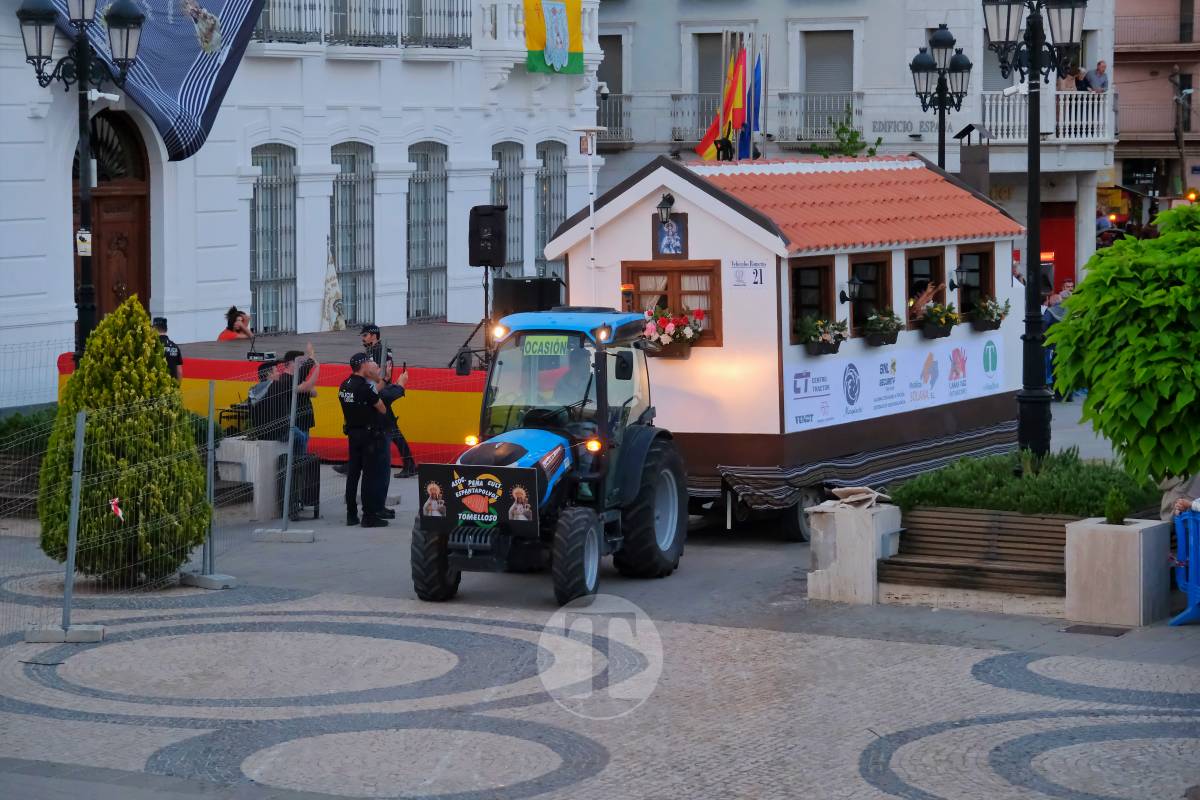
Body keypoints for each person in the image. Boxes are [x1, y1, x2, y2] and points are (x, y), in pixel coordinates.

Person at [338, 352, 391, 527]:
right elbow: (381, 408)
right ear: (362, 366)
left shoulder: (344, 385)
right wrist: (378, 379)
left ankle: (351, 514)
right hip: (368, 436)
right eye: (369, 362)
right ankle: (369, 515)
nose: (372, 365)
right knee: (370, 476)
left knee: (353, 475)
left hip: (353, 434)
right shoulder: (364, 387)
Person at [376, 361, 416, 479]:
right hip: (381, 417)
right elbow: (385, 394)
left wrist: (396, 384)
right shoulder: (371, 385)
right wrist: (400, 385)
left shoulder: (370, 383)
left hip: (382, 418)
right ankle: (409, 465)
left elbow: (385, 393)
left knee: (397, 437)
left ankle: (409, 465)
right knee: (396, 438)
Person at [1042, 294, 1069, 402]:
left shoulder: (1050, 311)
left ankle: (1058, 394)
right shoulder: (1068, 310)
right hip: (1066, 343)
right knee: (1065, 369)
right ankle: (1068, 395)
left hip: (1053, 343)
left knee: (1055, 368)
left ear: (1053, 302)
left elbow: (1044, 325)